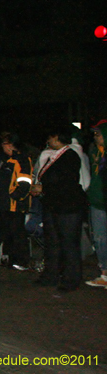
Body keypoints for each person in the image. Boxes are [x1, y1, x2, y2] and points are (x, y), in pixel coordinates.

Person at [32, 127, 89, 292]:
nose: (48, 141)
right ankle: (51, 275)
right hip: (53, 205)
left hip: (67, 206)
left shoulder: (70, 156)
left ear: (57, 138)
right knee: (53, 242)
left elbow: (65, 182)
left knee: (69, 243)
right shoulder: (55, 156)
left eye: (50, 138)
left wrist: (42, 188)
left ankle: (71, 279)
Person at [0, 132, 33, 270]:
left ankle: (21, 261)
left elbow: (25, 183)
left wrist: (15, 196)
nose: (3, 146)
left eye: (5, 143)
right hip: (1, 204)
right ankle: (1, 257)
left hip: (15, 205)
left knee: (17, 233)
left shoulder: (22, 160)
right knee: (1, 231)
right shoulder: (4, 160)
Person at [86, 121, 107, 287]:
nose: (95, 137)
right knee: (99, 239)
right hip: (97, 202)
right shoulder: (94, 152)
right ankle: (105, 274)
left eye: (98, 134)